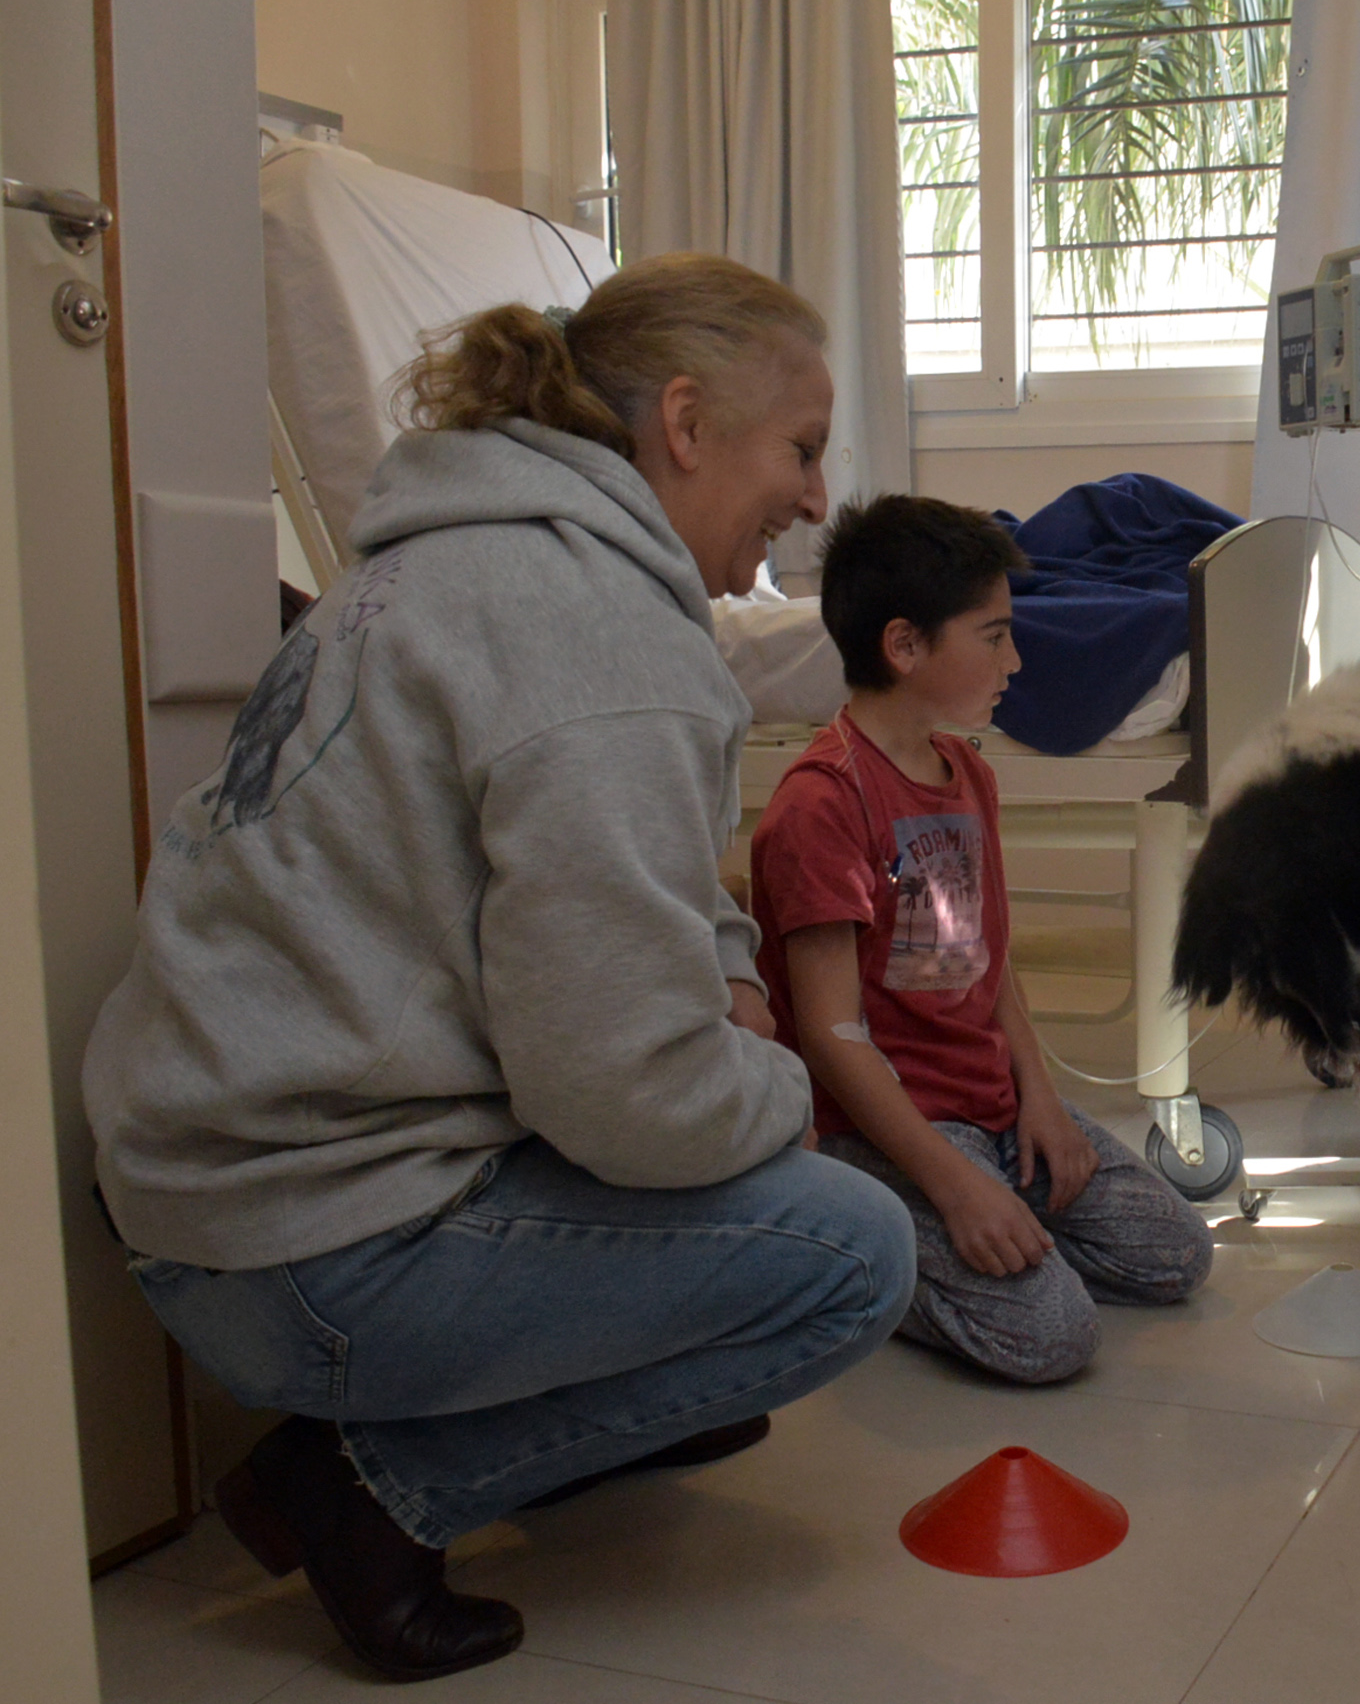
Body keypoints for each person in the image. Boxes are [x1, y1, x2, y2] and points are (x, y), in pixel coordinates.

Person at [81, 253, 919, 1683]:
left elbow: (645, 888)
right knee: (848, 1254)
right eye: (800, 447)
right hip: (307, 1254)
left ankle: (539, 1404)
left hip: (212, 1196)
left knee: (722, 1187)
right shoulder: (596, 641)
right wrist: (780, 1083)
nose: (814, 497)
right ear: (684, 422)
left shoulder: (449, 564)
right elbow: (625, 1097)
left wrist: (717, 985)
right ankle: (366, 1492)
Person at [749, 494, 1213, 1386]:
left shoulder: (966, 770)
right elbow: (830, 1039)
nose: (1018, 658)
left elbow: (989, 965)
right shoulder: (822, 804)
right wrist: (957, 1187)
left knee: (1177, 1255)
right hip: (890, 1129)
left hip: (992, 1109)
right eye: (994, 636)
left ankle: (988, 1243)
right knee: (1053, 1339)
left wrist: (1038, 1096)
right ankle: (858, 1252)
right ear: (905, 647)